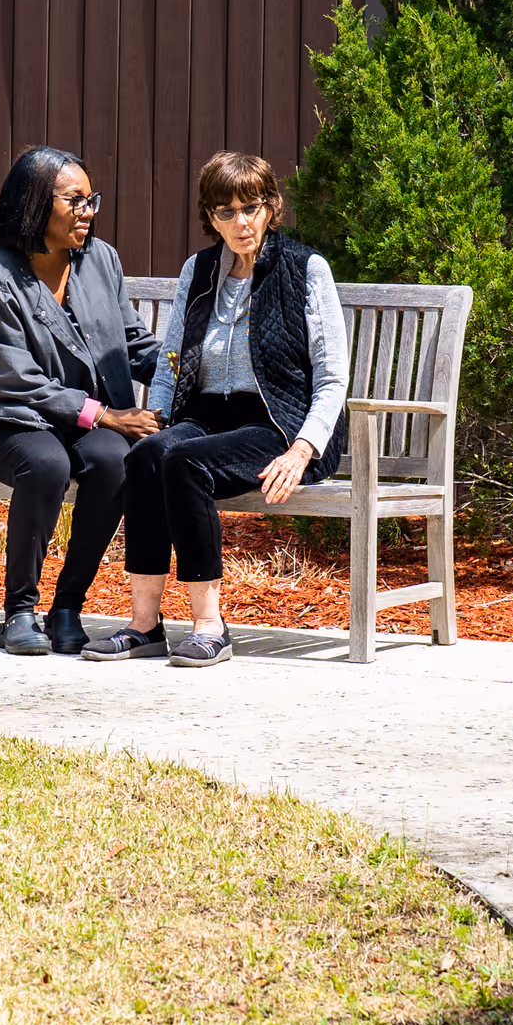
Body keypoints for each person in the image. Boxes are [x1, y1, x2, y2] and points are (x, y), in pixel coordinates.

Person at [85, 151, 348, 667]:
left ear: (271, 207)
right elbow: (173, 358)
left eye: (250, 208)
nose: (240, 222)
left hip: (280, 423)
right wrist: (156, 421)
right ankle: (144, 625)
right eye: (225, 212)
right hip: (207, 415)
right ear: (210, 217)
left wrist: (303, 449)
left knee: (185, 463)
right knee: (145, 457)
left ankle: (210, 626)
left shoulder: (306, 269)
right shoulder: (199, 269)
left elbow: (333, 373)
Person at [0, 146, 162, 656]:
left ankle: (67, 606)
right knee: (46, 465)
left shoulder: (100, 260)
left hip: (84, 422)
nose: (88, 211)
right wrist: (106, 414)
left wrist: (195, 368)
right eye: (75, 201)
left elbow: (131, 343)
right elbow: (15, 380)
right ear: (34, 204)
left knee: (117, 461)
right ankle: (19, 613)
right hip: (5, 419)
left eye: (92, 199)